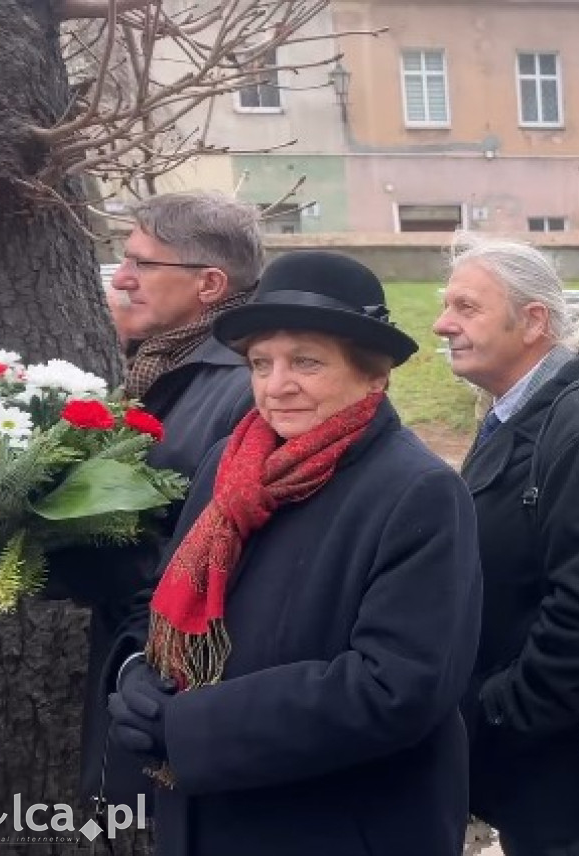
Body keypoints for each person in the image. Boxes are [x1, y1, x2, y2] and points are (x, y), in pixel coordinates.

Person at [105, 251, 483, 855]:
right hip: (206, 813)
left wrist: (190, 727)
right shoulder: (230, 464)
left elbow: (396, 687)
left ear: (373, 375)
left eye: (305, 361)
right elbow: (164, 594)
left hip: (335, 823)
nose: (276, 385)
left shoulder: (419, 491)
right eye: (261, 362)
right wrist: (135, 674)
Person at [433, 234, 579, 856]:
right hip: (531, 752)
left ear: (533, 320)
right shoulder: (520, 409)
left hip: (556, 760)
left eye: (466, 307)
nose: (441, 324)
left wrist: (497, 712)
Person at [45, 192, 262, 808]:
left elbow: (226, 553)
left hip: (182, 688)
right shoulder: (160, 367)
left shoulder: (249, 385)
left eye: (142, 263)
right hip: (139, 662)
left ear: (210, 284)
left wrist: (89, 559)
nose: (121, 278)